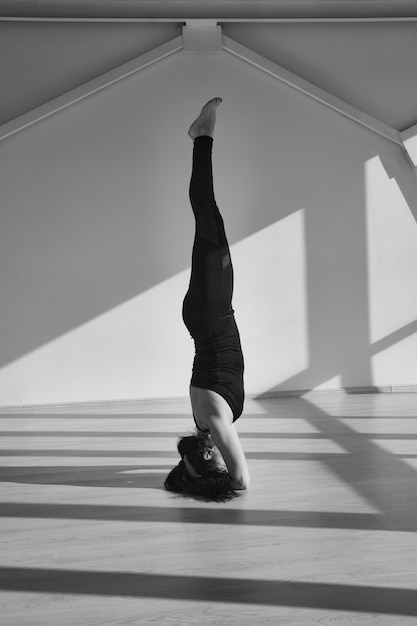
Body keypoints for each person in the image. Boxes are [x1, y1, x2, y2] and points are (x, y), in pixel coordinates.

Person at [164, 98, 250, 501]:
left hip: (211, 315)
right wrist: (197, 474)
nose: (217, 454)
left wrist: (211, 480)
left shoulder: (214, 420)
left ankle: (202, 138)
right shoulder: (207, 424)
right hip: (212, 314)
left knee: (207, 213)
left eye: (206, 458)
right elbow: (221, 467)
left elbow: (242, 480)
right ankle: (201, 137)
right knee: (209, 218)